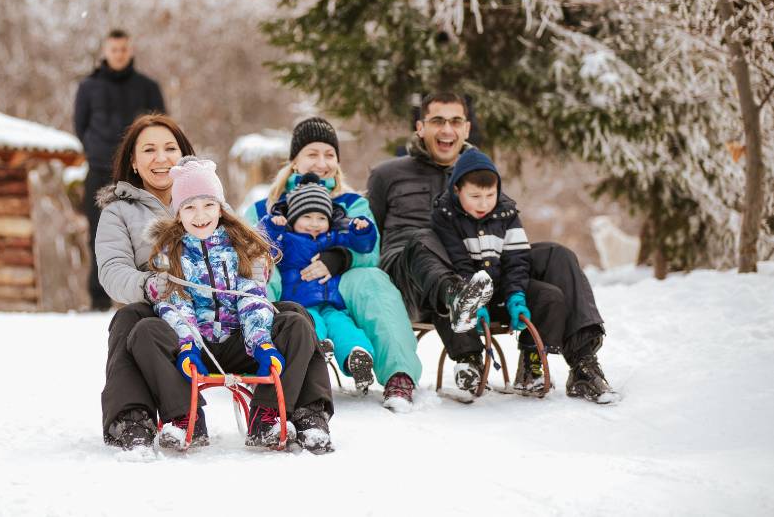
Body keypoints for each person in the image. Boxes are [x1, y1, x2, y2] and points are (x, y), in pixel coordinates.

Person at [95, 114, 329, 451]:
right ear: (133, 160)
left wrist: (262, 276)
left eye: (169, 148)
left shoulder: (206, 192)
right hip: (166, 310)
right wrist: (151, 284)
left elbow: (249, 252)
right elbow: (113, 270)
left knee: (295, 316)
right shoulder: (120, 212)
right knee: (130, 320)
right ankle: (137, 417)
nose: (161, 158)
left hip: (232, 316)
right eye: (149, 150)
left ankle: (301, 412)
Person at [367, 92, 618, 403]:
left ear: (467, 128)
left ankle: (583, 363)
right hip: (416, 275)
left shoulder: (479, 173)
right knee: (422, 238)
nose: (448, 130)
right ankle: (460, 298)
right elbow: (368, 239)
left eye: (455, 121)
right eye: (438, 121)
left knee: (558, 255)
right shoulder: (388, 174)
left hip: (475, 266)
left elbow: (499, 229)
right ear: (420, 127)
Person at [141, 157, 334, 453]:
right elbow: (175, 304)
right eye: (189, 207)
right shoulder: (170, 254)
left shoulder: (244, 247)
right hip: (196, 347)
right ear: (178, 214)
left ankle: (266, 414)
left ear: (220, 207)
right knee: (148, 331)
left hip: (239, 342)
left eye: (208, 204)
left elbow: (252, 299)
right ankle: (184, 417)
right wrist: (188, 347)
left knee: (296, 322)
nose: (200, 215)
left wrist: (262, 345)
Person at [244, 117, 423, 412]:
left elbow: (371, 250)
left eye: (329, 155)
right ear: (294, 160)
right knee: (260, 272)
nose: (322, 162)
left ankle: (398, 374)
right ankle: (260, 359)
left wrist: (340, 257)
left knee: (372, 279)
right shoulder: (264, 208)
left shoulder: (352, 203)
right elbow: (247, 250)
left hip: (340, 287)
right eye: (312, 154)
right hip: (289, 287)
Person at [429, 148, 565, 395]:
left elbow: (517, 260)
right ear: (457, 190)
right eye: (475, 196)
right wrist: (473, 298)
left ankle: (530, 363)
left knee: (550, 296)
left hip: (501, 291)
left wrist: (516, 295)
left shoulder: (507, 214)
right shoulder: (444, 216)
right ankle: (469, 362)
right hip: (465, 288)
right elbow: (457, 263)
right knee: (450, 303)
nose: (484, 204)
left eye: (490, 195)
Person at [258, 173, 379, 393]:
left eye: (321, 218)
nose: (315, 224)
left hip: (331, 303)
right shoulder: (287, 240)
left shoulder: (332, 238)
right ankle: (317, 347)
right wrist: (273, 226)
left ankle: (357, 356)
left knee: (344, 326)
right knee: (312, 324)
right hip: (300, 305)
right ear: (293, 219)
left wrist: (362, 230)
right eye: (307, 217)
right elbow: (263, 241)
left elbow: (362, 245)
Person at [74, 28, 166, 311]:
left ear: (131, 50)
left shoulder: (148, 87)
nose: (119, 54)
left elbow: (160, 126)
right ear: (105, 51)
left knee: (148, 234)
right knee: (98, 233)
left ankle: (148, 294)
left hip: (138, 174)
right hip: (100, 171)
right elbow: (80, 126)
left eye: (123, 49)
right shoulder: (89, 87)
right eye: (114, 50)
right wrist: (97, 150)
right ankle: (99, 301)